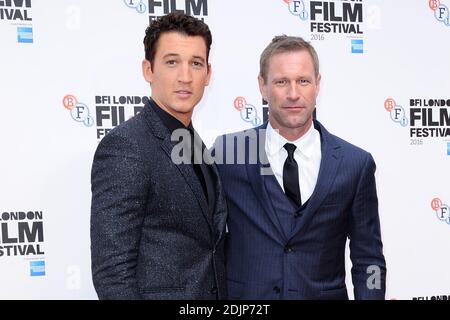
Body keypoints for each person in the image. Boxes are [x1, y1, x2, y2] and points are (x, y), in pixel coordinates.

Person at [214, 35, 386, 299]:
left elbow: (369, 260)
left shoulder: (355, 164)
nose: (293, 94)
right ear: (262, 86)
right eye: (281, 81)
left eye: (303, 81)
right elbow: (203, 245)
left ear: (317, 84)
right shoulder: (228, 153)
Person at [90, 12, 227, 300]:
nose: (185, 77)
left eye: (196, 63)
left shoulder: (195, 143)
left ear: (208, 74)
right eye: (172, 62)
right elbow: (113, 273)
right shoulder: (126, 146)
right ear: (148, 70)